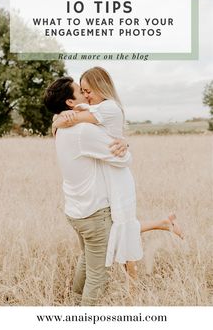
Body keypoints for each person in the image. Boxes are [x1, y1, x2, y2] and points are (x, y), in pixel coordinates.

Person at [52, 67, 184, 276]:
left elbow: (73, 119)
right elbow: (80, 117)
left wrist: (58, 120)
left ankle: (132, 289)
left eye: (88, 90)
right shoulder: (95, 107)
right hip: (108, 169)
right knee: (121, 228)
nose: (86, 96)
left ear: (100, 86)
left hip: (117, 173)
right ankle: (164, 224)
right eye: (83, 91)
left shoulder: (110, 107)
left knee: (123, 228)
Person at [44, 76, 132, 306]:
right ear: (71, 103)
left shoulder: (61, 129)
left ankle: (74, 304)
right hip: (93, 214)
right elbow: (123, 160)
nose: (86, 95)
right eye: (80, 92)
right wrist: (124, 145)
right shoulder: (82, 131)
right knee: (98, 275)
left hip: (75, 210)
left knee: (87, 259)